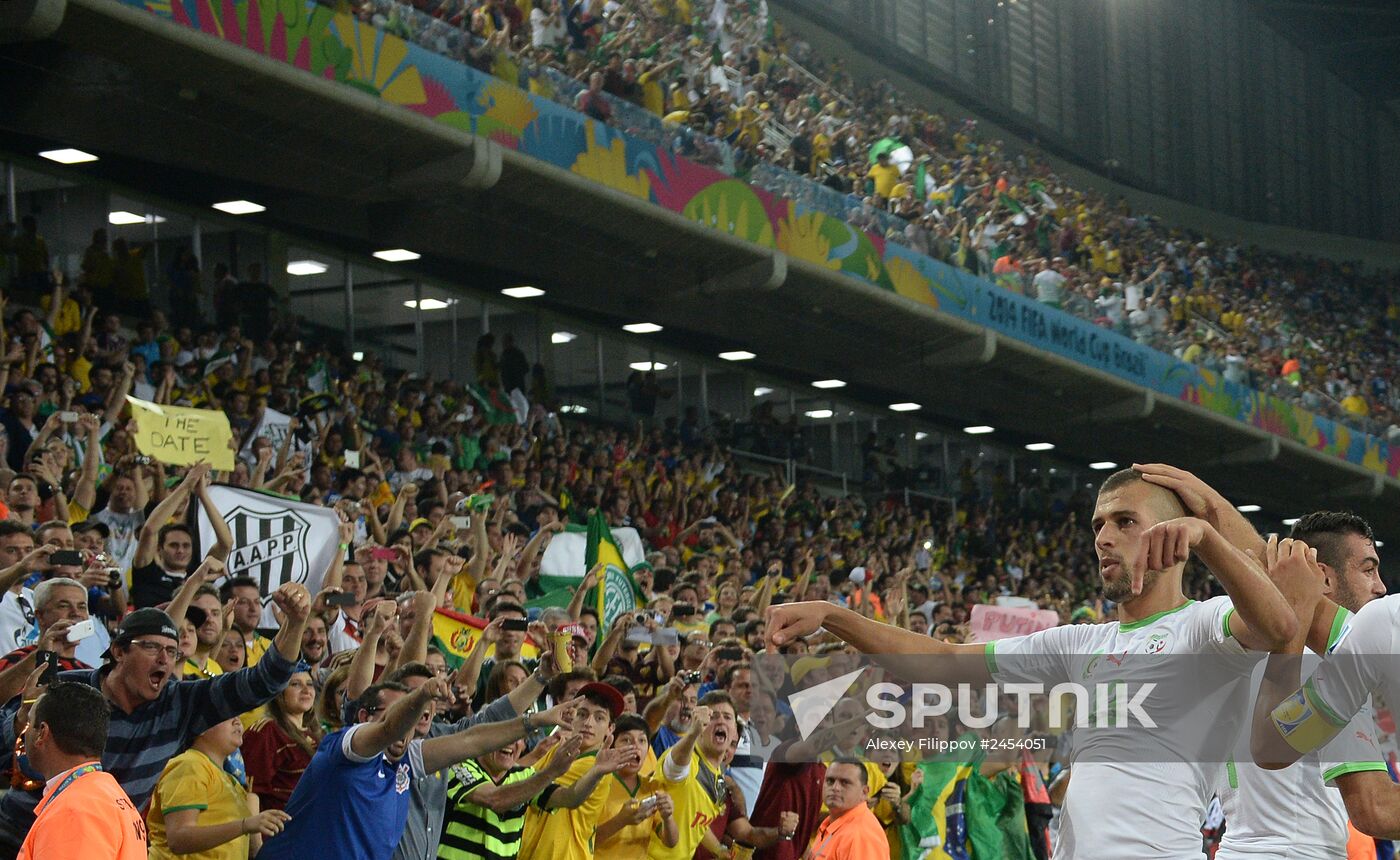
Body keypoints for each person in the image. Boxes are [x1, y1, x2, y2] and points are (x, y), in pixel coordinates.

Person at [766, 466, 1302, 860]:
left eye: (1124, 521)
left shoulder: (1204, 627)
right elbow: (944, 662)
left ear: (1174, 535)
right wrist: (833, 615)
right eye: (1098, 524)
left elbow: (1279, 628)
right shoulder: (1078, 644)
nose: (1104, 537)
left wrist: (1208, 534)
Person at [0, 582, 313, 853]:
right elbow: (8, 731)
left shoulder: (179, 702)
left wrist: (296, 623)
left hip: (105, 844)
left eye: (172, 651)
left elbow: (263, 681)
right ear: (119, 652)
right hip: (23, 836)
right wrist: (24, 715)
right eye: (151, 647)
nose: (165, 658)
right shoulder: (73, 686)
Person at [1217, 509, 1393, 858]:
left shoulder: (1241, 650)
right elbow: (1374, 808)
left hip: (1236, 847)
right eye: (1368, 569)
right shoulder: (1334, 667)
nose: (1381, 586)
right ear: (1323, 578)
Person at [258, 677, 576, 860]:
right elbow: (387, 731)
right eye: (401, 714)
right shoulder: (346, 747)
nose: (408, 726)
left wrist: (534, 721)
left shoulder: (407, 758)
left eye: (419, 716)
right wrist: (421, 694)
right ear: (365, 716)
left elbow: (470, 741)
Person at [16, 681, 147, 860]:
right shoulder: (106, 794)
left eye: (30, 722)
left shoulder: (72, 811)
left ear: (42, 733)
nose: (24, 733)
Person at [518, 682, 639, 860]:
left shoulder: (592, 765)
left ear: (610, 728)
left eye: (599, 718)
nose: (588, 723)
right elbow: (520, 779)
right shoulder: (560, 751)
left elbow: (526, 786)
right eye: (582, 714)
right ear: (572, 718)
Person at [146, 716, 289, 859]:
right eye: (228, 716)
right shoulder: (190, 765)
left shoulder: (229, 779)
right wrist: (245, 825)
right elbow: (178, 838)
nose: (237, 721)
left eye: (238, 715)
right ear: (200, 726)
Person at [438, 734, 586, 860]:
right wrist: (551, 772)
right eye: (504, 735)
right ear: (483, 738)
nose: (511, 743)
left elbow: (570, 798)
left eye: (518, 738)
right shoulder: (460, 766)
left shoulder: (526, 776)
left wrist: (598, 771)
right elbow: (494, 799)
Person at [594, 713, 677, 858]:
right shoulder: (596, 783)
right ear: (612, 746)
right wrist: (621, 821)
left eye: (642, 740)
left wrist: (668, 817)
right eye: (626, 740)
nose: (635, 746)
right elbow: (583, 840)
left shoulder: (652, 787)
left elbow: (671, 842)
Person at [242, 670, 321, 811]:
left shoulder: (315, 734)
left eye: (310, 684)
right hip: (281, 828)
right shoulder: (267, 731)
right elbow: (251, 791)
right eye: (295, 684)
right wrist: (254, 832)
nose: (306, 690)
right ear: (279, 693)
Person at [802, 758, 888, 860]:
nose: (835, 788)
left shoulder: (861, 835)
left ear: (864, 792)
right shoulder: (833, 822)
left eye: (845, 782)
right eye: (830, 781)